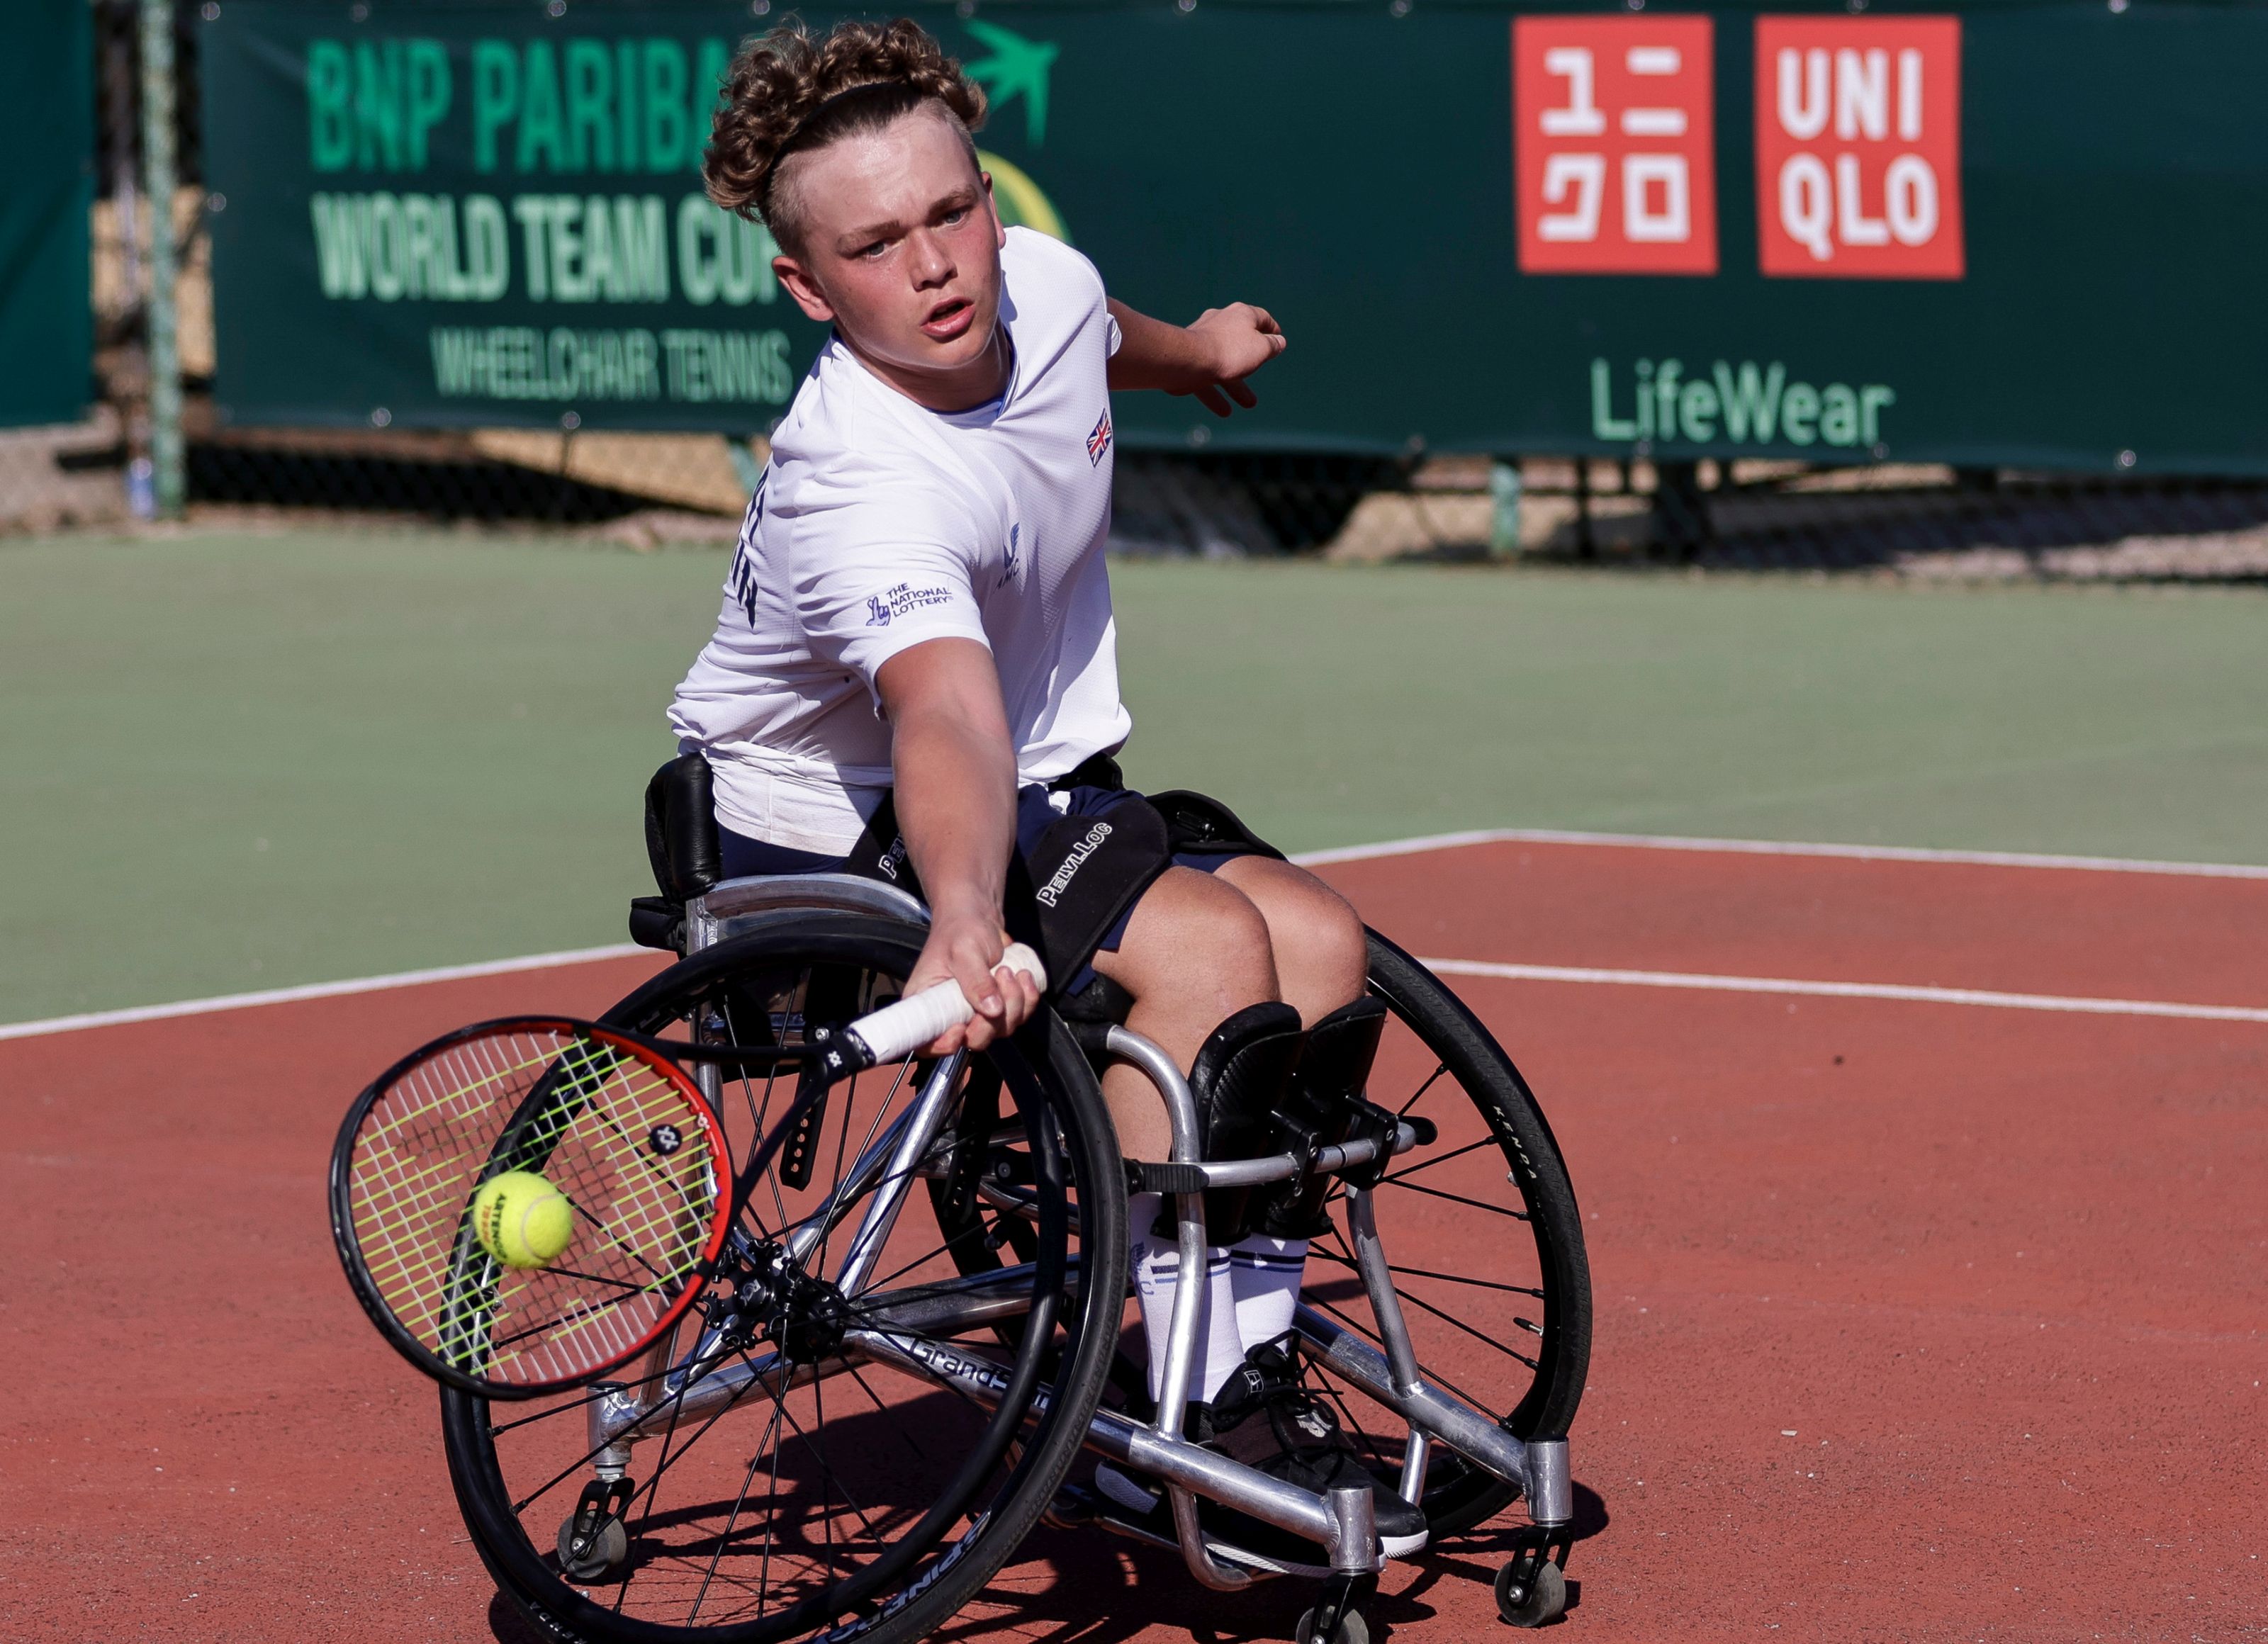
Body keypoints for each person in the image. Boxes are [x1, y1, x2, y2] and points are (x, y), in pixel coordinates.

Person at [667, 17, 1423, 1566]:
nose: (937, 264)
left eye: (953, 211)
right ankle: (1168, 1408)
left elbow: (1098, 327)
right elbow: (941, 711)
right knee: (1209, 953)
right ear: (808, 288)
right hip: (821, 824)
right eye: (876, 246)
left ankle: (1216, 1361)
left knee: (1321, 943)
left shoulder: (1042, 286)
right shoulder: (854, 479)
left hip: (1047, 775)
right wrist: (958, 920)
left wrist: (1203, 352)